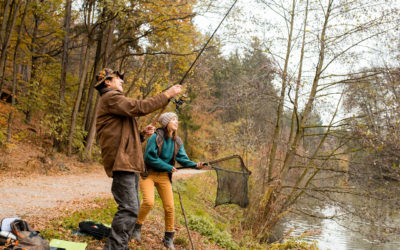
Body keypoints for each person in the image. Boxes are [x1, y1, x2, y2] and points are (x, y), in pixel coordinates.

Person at [94, 68, 182, 250]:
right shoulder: (111, 98)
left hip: (129, 164)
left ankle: (120, 245)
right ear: (107, 82)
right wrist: (167, 94)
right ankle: (115, 247)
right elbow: (139, 107)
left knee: (131, 210)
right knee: (129, 209)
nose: (122, 82)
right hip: (122, 164)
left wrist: (141, 133)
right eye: (118, 79)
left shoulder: (115, 104)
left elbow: (124, 137)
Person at [131, 112, 207, 249]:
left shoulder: (177, 141)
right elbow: (149, 158)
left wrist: (196, 165)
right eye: (173, 120)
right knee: (148, 202)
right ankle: (135, 228)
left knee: (170, 207)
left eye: (177, 120)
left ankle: (168, 238)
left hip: (164, 176)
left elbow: (183, 159)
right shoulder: (155, 137)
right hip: (148, 174)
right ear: (166, 123)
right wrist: (168, 166)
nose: (176, 122)